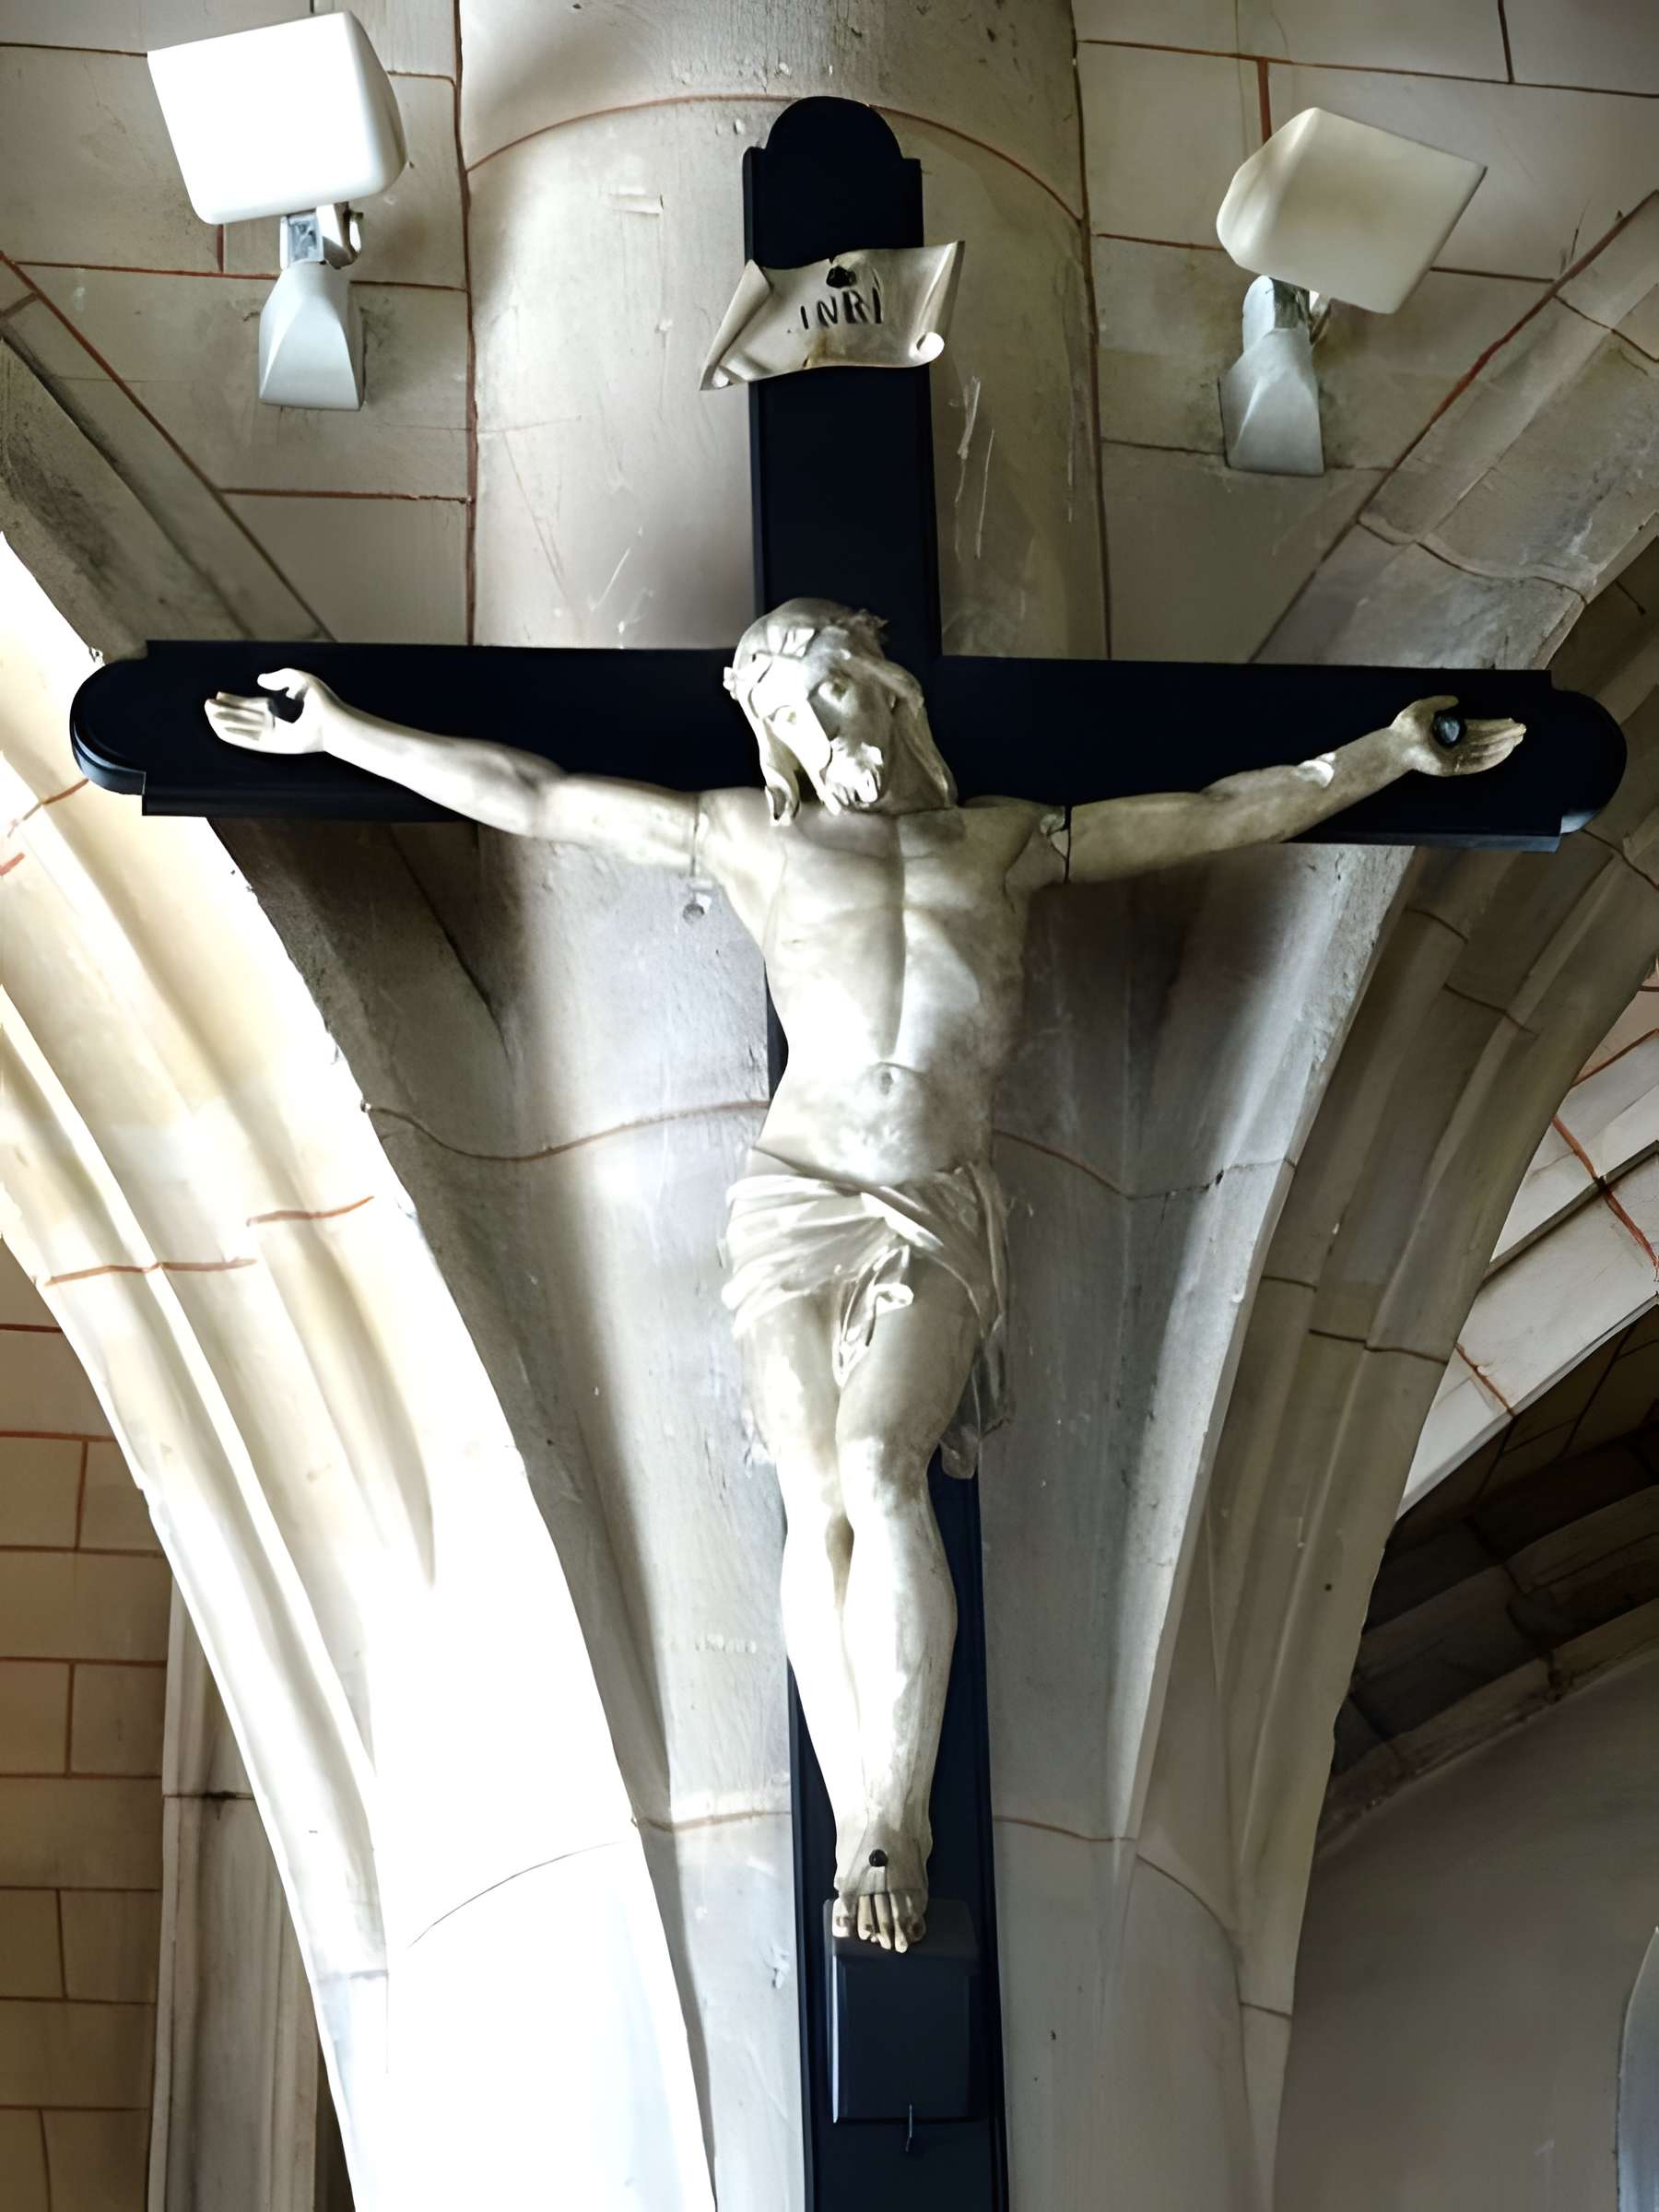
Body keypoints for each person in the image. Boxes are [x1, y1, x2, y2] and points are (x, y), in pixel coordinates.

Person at [206, 597, 1524, 1953]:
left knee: (881, 1465)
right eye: (786, 713)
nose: (815, 727)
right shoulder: (753, 839)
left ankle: (894, 1809)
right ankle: (860, 1820)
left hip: (930, 1201)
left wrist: (1380, 756)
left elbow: (1213, 812)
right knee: (817, 1491)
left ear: (886, 693)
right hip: (796, 1197)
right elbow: (534, 798)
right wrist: (342, 734)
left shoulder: (1007, 841)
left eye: (829, 693)